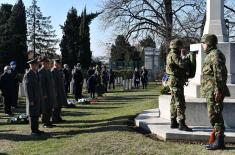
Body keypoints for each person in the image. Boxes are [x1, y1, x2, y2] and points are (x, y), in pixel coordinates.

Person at [201, 34, 230, 150]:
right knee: (214, 115)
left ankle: (219, 141)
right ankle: (218, 140)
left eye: (204, 43)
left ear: (209, 43)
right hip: (210, 91)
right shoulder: (211, 55)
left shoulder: (215, 55)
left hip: (214, 91)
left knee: (215, 115)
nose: (203, 46)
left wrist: (218, 91)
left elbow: (220, 74)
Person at [166, 39, 192, 132]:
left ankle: (173, 122)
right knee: (180, 102)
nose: (181, 48)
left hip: (174, 81)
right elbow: (182, 65)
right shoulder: (175, 55)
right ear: (177, 47)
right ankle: (182, 123)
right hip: (176, 81)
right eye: (180, 46)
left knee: (173, 102)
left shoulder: (170, 54)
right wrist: (186, 59)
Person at [23, 59, 44, 136]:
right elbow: (27, 89)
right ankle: (33, 131)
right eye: (35, 65)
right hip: (32, 98)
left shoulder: (36, 73)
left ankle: (36, 129)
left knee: (36, 114)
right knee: (32, 115)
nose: (37, 66)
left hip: (37, 97)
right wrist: (30, 100)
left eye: (37, 65)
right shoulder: (28, 74)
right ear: (31, 65)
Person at [38, 57, 56, 128]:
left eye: (48, 63)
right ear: (43, 63)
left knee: (50, 108)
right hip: (45, 94)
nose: (48, 64)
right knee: (45, 109)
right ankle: (45, 123)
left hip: (50, 93)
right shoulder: (41, 72)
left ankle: (49, 122)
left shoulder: (48, 71)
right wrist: (44, 94)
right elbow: (41, 85)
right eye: (46, 63)